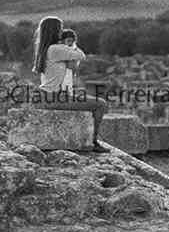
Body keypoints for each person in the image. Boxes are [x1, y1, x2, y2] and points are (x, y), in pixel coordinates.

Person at [32, 16, 110, 152]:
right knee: (100, 104)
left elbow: (72, 66)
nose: (62, 32)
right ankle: (93, 141)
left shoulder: (45, 48)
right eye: (60, 29)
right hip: (55, 98)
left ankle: (90, 138)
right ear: (55, 31)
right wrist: (72, 44)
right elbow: (81, 55)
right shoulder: (56, 49)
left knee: (88, 100)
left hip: (46, 96)